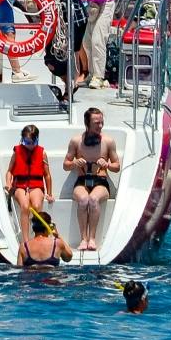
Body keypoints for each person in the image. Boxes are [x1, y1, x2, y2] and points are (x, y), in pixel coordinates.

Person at [65, 108, 121, 253]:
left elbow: (117, 167)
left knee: (93, 199)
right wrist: (74, 163)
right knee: (84, 200)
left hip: (100, 181)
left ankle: (92, 239)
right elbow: (66, 165)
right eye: (97, 123)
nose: (100, 126)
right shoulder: (76, 141)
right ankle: (83, 239)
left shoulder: (108, 141)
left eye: (102, 122)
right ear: (87, 123)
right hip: (82, 180)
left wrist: (107, 165)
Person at [5, 124, 51, 244]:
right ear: (22, 140)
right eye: (27, 142)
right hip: (19, 185)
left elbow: (47, 175)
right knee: (25, 206)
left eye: (32, 142)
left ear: (37, 140)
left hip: (36, 186)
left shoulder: (42, 153)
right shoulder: (17, 152)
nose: (30, 145)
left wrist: (49, 194)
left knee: (36, 205)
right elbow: (9, 171)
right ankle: (25, 241)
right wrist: (8, 183)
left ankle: (38, 236)